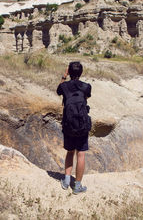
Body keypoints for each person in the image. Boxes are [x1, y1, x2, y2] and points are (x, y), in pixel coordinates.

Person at [57, 61, 91, 194]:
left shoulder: (64, 86)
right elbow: (87, 97)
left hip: (68, 124)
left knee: (70, 152)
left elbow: (58, 91)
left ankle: (66, 181)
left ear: (69, 72)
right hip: (82, 124)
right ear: (81, 73)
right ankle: (77, 186)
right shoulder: (86, 86)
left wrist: (64, 76)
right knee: (81, 154)